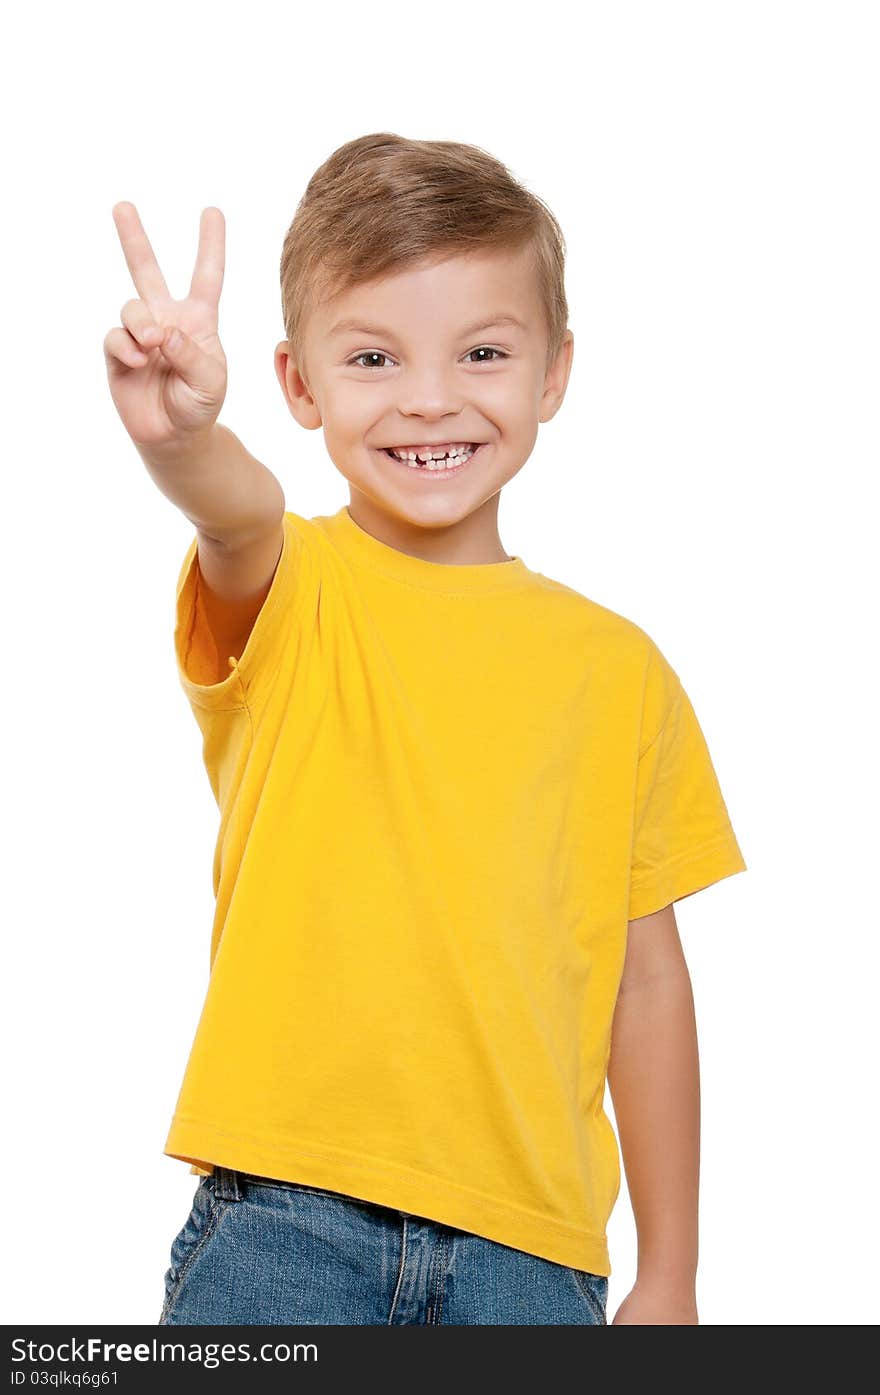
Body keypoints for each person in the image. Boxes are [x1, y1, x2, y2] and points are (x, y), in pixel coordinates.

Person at [104, 132, 746, 1327]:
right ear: (299, 385)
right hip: (287, 1226)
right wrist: (181, 437)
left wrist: (672, 1273)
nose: (431, 398)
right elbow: (233, 514)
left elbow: (646, 987)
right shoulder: (297, 586)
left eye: (484, 353)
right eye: (373, 357)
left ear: (554, 372)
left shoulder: (621, 671)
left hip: (534, 1259)